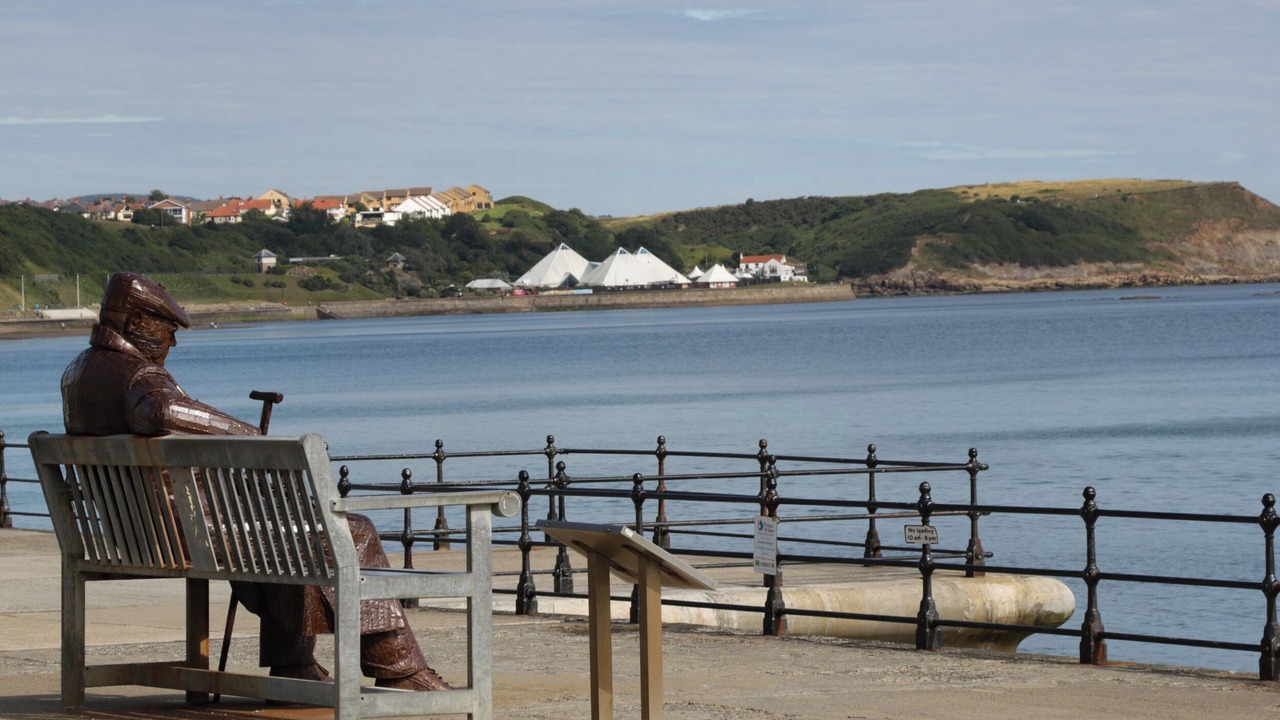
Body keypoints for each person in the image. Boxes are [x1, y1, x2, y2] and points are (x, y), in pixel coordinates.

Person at [60, 271, 450, 691]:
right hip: (186, 537)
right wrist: (255, 440)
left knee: (290, 527)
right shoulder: (138, 374)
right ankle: (401, 671)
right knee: (349, 531)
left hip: (132, 535)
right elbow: (161, 411)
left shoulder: (79, 372)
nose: (172, 341)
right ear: (137, 323)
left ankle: (294, 666)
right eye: (168, 328)